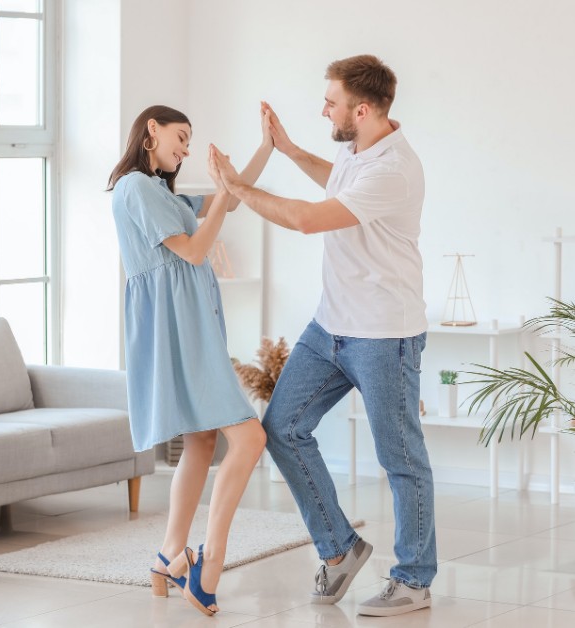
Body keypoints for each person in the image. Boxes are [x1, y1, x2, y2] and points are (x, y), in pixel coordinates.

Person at [211, 55, 436, 617]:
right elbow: (336, 182)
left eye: (331, 101)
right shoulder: (357, 149)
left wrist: (236, 185)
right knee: (281, 428)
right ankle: (339, 551)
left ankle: (413, 579)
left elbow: (310, 218)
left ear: (362, 110)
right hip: (331, 325)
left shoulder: (394, 170)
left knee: (401, 458)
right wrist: (287, 149)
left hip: (385, 335)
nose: (323, 109)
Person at [107, 104, 272, 616]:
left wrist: (267, 147)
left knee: (201, 439)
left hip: (187, 321)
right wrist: (223, 196)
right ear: (151, 130)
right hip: (178, 326)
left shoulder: (159, 191)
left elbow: (233, 201)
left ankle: (167, 555)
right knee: (250, 436)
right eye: (181, 137)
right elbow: (195, 251)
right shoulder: (135, 187)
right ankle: (206, 563)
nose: (185, 148)